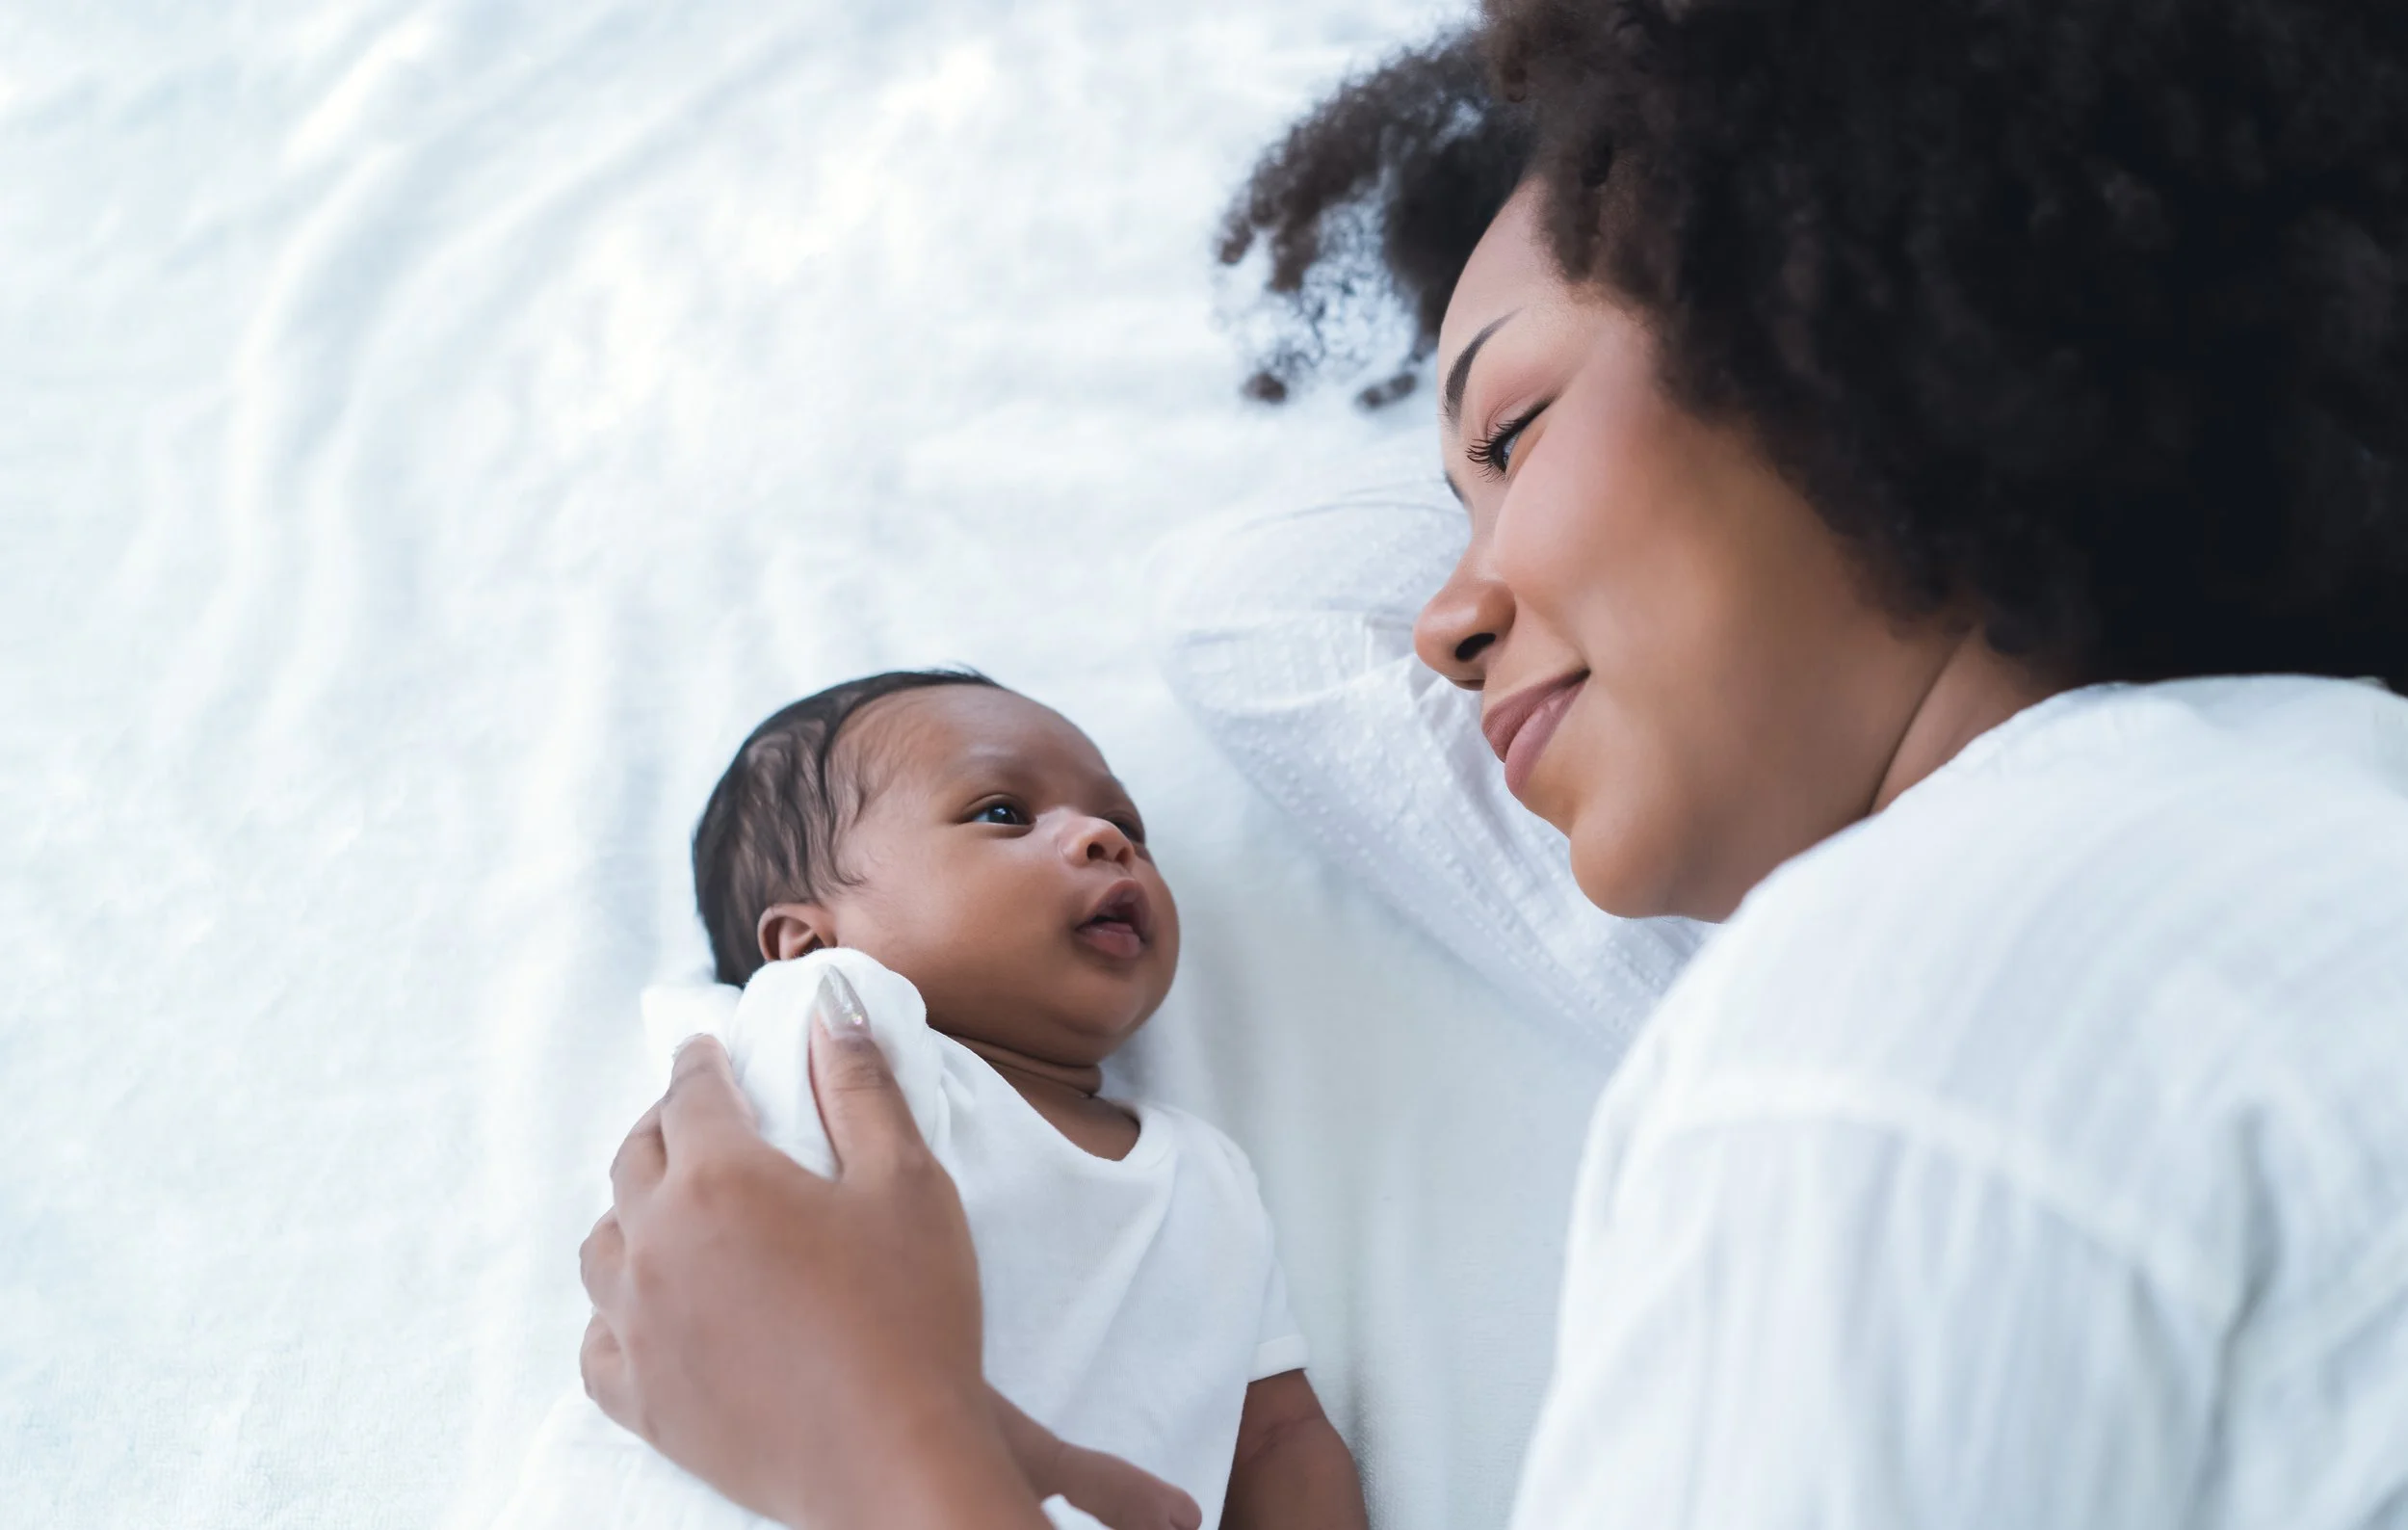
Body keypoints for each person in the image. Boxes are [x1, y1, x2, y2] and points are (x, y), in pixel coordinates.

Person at [576, 4, 2408, 1526]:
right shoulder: (2283, 814)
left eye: (1515, 431)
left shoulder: (1912, 1003)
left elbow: (1265, 610)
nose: (1444, 623)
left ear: (1848, 331)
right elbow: (1256, 610)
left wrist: (880, 1455)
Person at [529, 672, 1365, 1530]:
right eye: (1003, 812)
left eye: (1127, 828)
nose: (1103, 839)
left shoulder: (1211, 1175)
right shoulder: (840, 1020)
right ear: (806, 941)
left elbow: (1276, 1437)